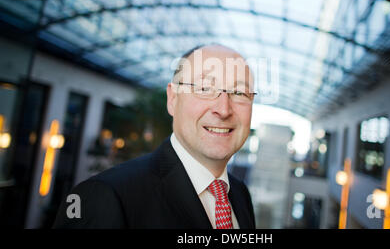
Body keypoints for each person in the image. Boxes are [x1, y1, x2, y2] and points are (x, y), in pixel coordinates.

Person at [53, 44, 256, 228]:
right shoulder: (105, 196)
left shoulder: (239, 196)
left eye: (239, 93)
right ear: (173, 99)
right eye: (204, 88)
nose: (223, 109)